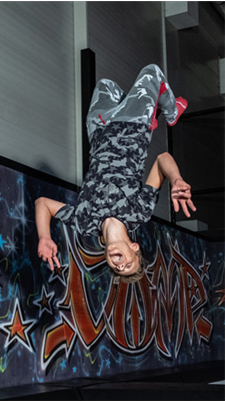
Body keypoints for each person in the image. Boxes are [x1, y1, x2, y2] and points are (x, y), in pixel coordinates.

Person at [35, 64, 195, 283]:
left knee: (105, 84)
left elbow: (43, 204)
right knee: (152, 72)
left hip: (99, 129)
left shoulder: (84, 223)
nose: (120, 265)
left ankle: (149, 112)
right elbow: (162, 160)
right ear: (134, 247)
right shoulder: (139, 212)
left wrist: (44, 237)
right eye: (128, 264)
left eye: (118, 269)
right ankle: (171, 112)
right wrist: (176, 179)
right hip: (133, 126)